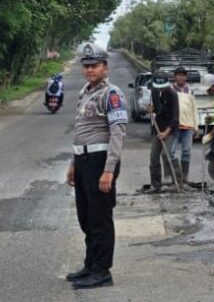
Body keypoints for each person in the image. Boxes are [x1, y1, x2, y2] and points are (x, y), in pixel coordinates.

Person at [65, 43, 127, 289]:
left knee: (100, 219)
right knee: (86, 218)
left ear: (105, 67)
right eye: (86, 66)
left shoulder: (111, 94)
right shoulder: (86, 92)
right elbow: (81, 133)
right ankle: (90, 265)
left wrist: (109, 170)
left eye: (94, 66)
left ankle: (102, 272)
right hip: (83, 161)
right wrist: (73, 163)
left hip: (100, 162)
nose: (89, 70)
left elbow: (118, 133)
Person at [147, 71, 180, 192]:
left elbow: (175, 118)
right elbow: (158, 109)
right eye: (158, 87)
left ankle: (177, 181)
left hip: (171, 129)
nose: (160, 89)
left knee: (167, 154)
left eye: (162, 87)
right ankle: (155, 184)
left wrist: (166, 133)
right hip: (158, 128)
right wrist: (152, 109)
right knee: (154, 156)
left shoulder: (173, 94)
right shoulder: (154, 91)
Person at [170, 66, 199, 185]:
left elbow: (194, 109)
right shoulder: (170, 90)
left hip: (188, 126)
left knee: (186, 151)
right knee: (170, 152)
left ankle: (184, 177)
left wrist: (196, 126)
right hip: (174, 126)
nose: (181, 77)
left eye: (183, 75)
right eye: (178, 75)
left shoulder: (190, 90)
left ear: (186, 77)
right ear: (175, 77)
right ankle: (176, 177)